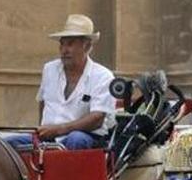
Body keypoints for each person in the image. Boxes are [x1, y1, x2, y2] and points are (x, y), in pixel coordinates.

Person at [6, 14, 116, 150]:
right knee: (6, 144)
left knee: (76, 139)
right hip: (49, 137)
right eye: (62, 44)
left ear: (86, 46)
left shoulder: (102, 76)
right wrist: (44, 129)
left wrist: (59, 129)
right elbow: (43, 102)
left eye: (70, 44)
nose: (64, 50)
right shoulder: (50, 69)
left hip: (85, 138)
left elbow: (97, 119)